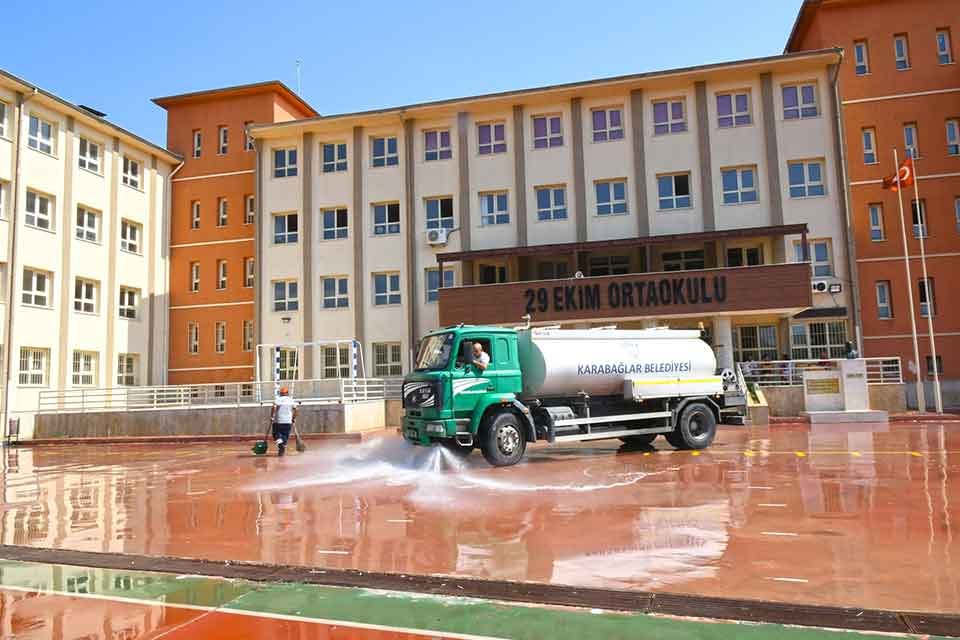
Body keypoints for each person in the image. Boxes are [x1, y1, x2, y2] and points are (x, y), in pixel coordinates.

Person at [271, 386, 298, 457]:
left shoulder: (278, 399)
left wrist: (272, 416)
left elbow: (274, 407)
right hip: (288, 421)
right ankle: (282, 448)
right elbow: (296, 409)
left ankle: (280, 445)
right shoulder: (291, 400)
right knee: (285, 435)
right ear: (287, 393)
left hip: (278, 421)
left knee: (275, 434)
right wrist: (293, 418)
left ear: (281, 393)